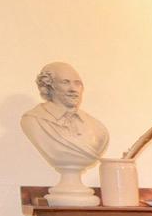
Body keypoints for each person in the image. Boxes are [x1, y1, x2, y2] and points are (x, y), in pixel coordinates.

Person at [21, 61, 108, 205]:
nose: (73, 89)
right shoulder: (33, 120)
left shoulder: (98, 129)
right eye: (65, 82)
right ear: (49, 86)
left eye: (77, 83)